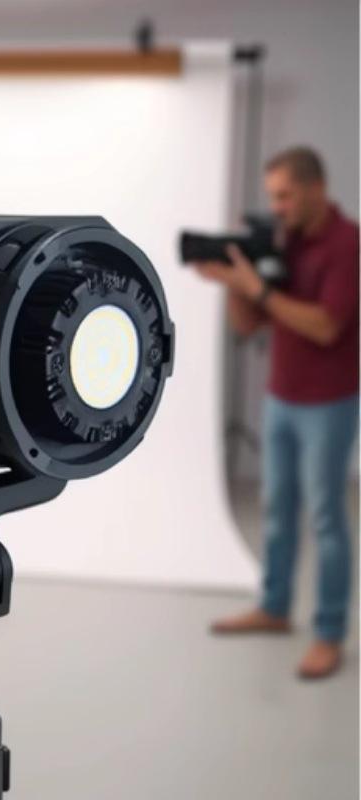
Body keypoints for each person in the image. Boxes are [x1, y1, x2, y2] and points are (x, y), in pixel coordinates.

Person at [194, 146, 359, 680]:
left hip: (329, 402)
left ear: (316, 188)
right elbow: (251, 325)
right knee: (275, 508)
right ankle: (274, 607)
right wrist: (232, 284)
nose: (278, 206)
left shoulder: (347, 243)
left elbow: (326, 326)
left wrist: (260, 289)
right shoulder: (284, 242)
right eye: (273, 197)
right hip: (281, 396)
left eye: (284, 195)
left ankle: (329, 633)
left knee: (326, 516)